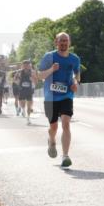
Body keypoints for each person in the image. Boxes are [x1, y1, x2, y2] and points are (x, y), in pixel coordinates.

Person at [37, 33, 81, 167]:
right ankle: (51, 140)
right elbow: (40, 76)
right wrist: (52, 69)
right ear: (56, 42)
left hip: (66, 95)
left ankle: (65, 156)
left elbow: (77, 74)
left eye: (66, 41)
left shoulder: (74, 59)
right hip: (50, 97)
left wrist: (76, 83)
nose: (63, 43)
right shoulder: (49, 57)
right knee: (53, 127)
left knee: (66, 124)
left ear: (69, 43)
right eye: (61, 41)